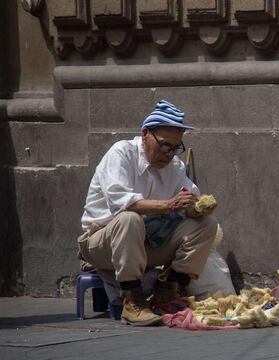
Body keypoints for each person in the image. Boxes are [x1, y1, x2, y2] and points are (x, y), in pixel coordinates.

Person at [77, 100, 218, 326]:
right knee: (129, 219)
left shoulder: (176, 168)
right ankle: (133, 299)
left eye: (175, 148)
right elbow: (122, 204)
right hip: (103, 243)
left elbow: (189, 202)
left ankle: (168, 287)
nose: (169, 154)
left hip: (145, 244)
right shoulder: (121, 154)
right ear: (145, 135)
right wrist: (170, 205)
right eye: (164, 145)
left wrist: (197, 207)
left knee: (207, 225)